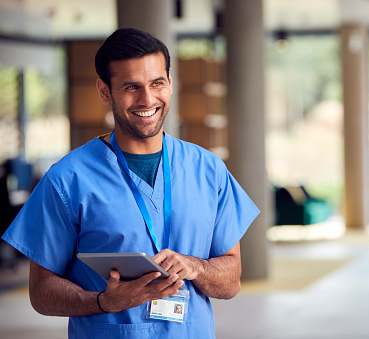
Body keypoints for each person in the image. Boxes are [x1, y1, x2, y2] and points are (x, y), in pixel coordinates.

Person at [1, 27, 259, 339]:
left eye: (157, 83)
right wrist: (103, 302)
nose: (147, 99)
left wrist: (195, 267)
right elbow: (41, 293)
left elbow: (231, 281)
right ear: (105, 91)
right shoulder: (67, 179)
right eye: (131, 87)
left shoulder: (208, 170)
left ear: (170, 84)